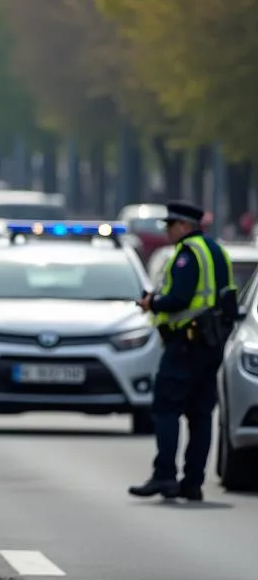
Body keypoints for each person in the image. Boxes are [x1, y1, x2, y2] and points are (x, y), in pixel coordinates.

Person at [129, 200, 234, 502]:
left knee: (166, 409)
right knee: (201, 415)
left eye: (170, 226)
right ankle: (193, 483)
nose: (167, 232)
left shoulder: (188, 253)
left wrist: (153, 303)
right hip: (211, 344)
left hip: (186, 343)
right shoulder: (217, 251)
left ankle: (164, 476)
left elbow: (180, 298)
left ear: (185, 226)